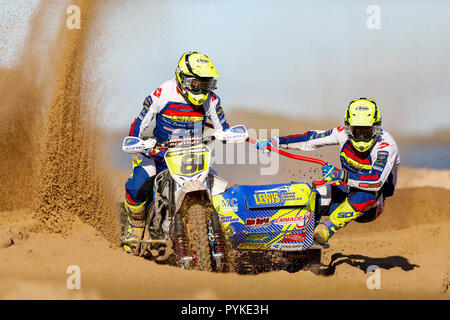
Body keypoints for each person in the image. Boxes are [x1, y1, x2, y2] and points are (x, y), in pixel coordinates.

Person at [122, 51, 230, 253]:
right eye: (196, 83)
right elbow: (140, 121)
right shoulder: (163, 93)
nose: (201, 88)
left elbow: (222, 126)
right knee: (135, 186)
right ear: (181, 77)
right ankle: (135, 227)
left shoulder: (212, 100)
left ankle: (223, 234)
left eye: (206, 83)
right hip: (161, 155)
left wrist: (230, 134)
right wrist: (136, 141)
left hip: (195, 157)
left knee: (221, 193)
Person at [256, 97, 400, 244]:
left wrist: (341, 175)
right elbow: (309, 139)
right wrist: (275, 142)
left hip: (372, 205)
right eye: (357, 132)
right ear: (348, 128)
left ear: (376, 129)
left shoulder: (386, 145)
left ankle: (327, 228)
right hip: (345, 189)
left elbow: (376, 181)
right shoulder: (341, 133)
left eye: (367, 132)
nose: (362, 138)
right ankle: (287, 238)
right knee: (310, 197)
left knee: (368, 193)